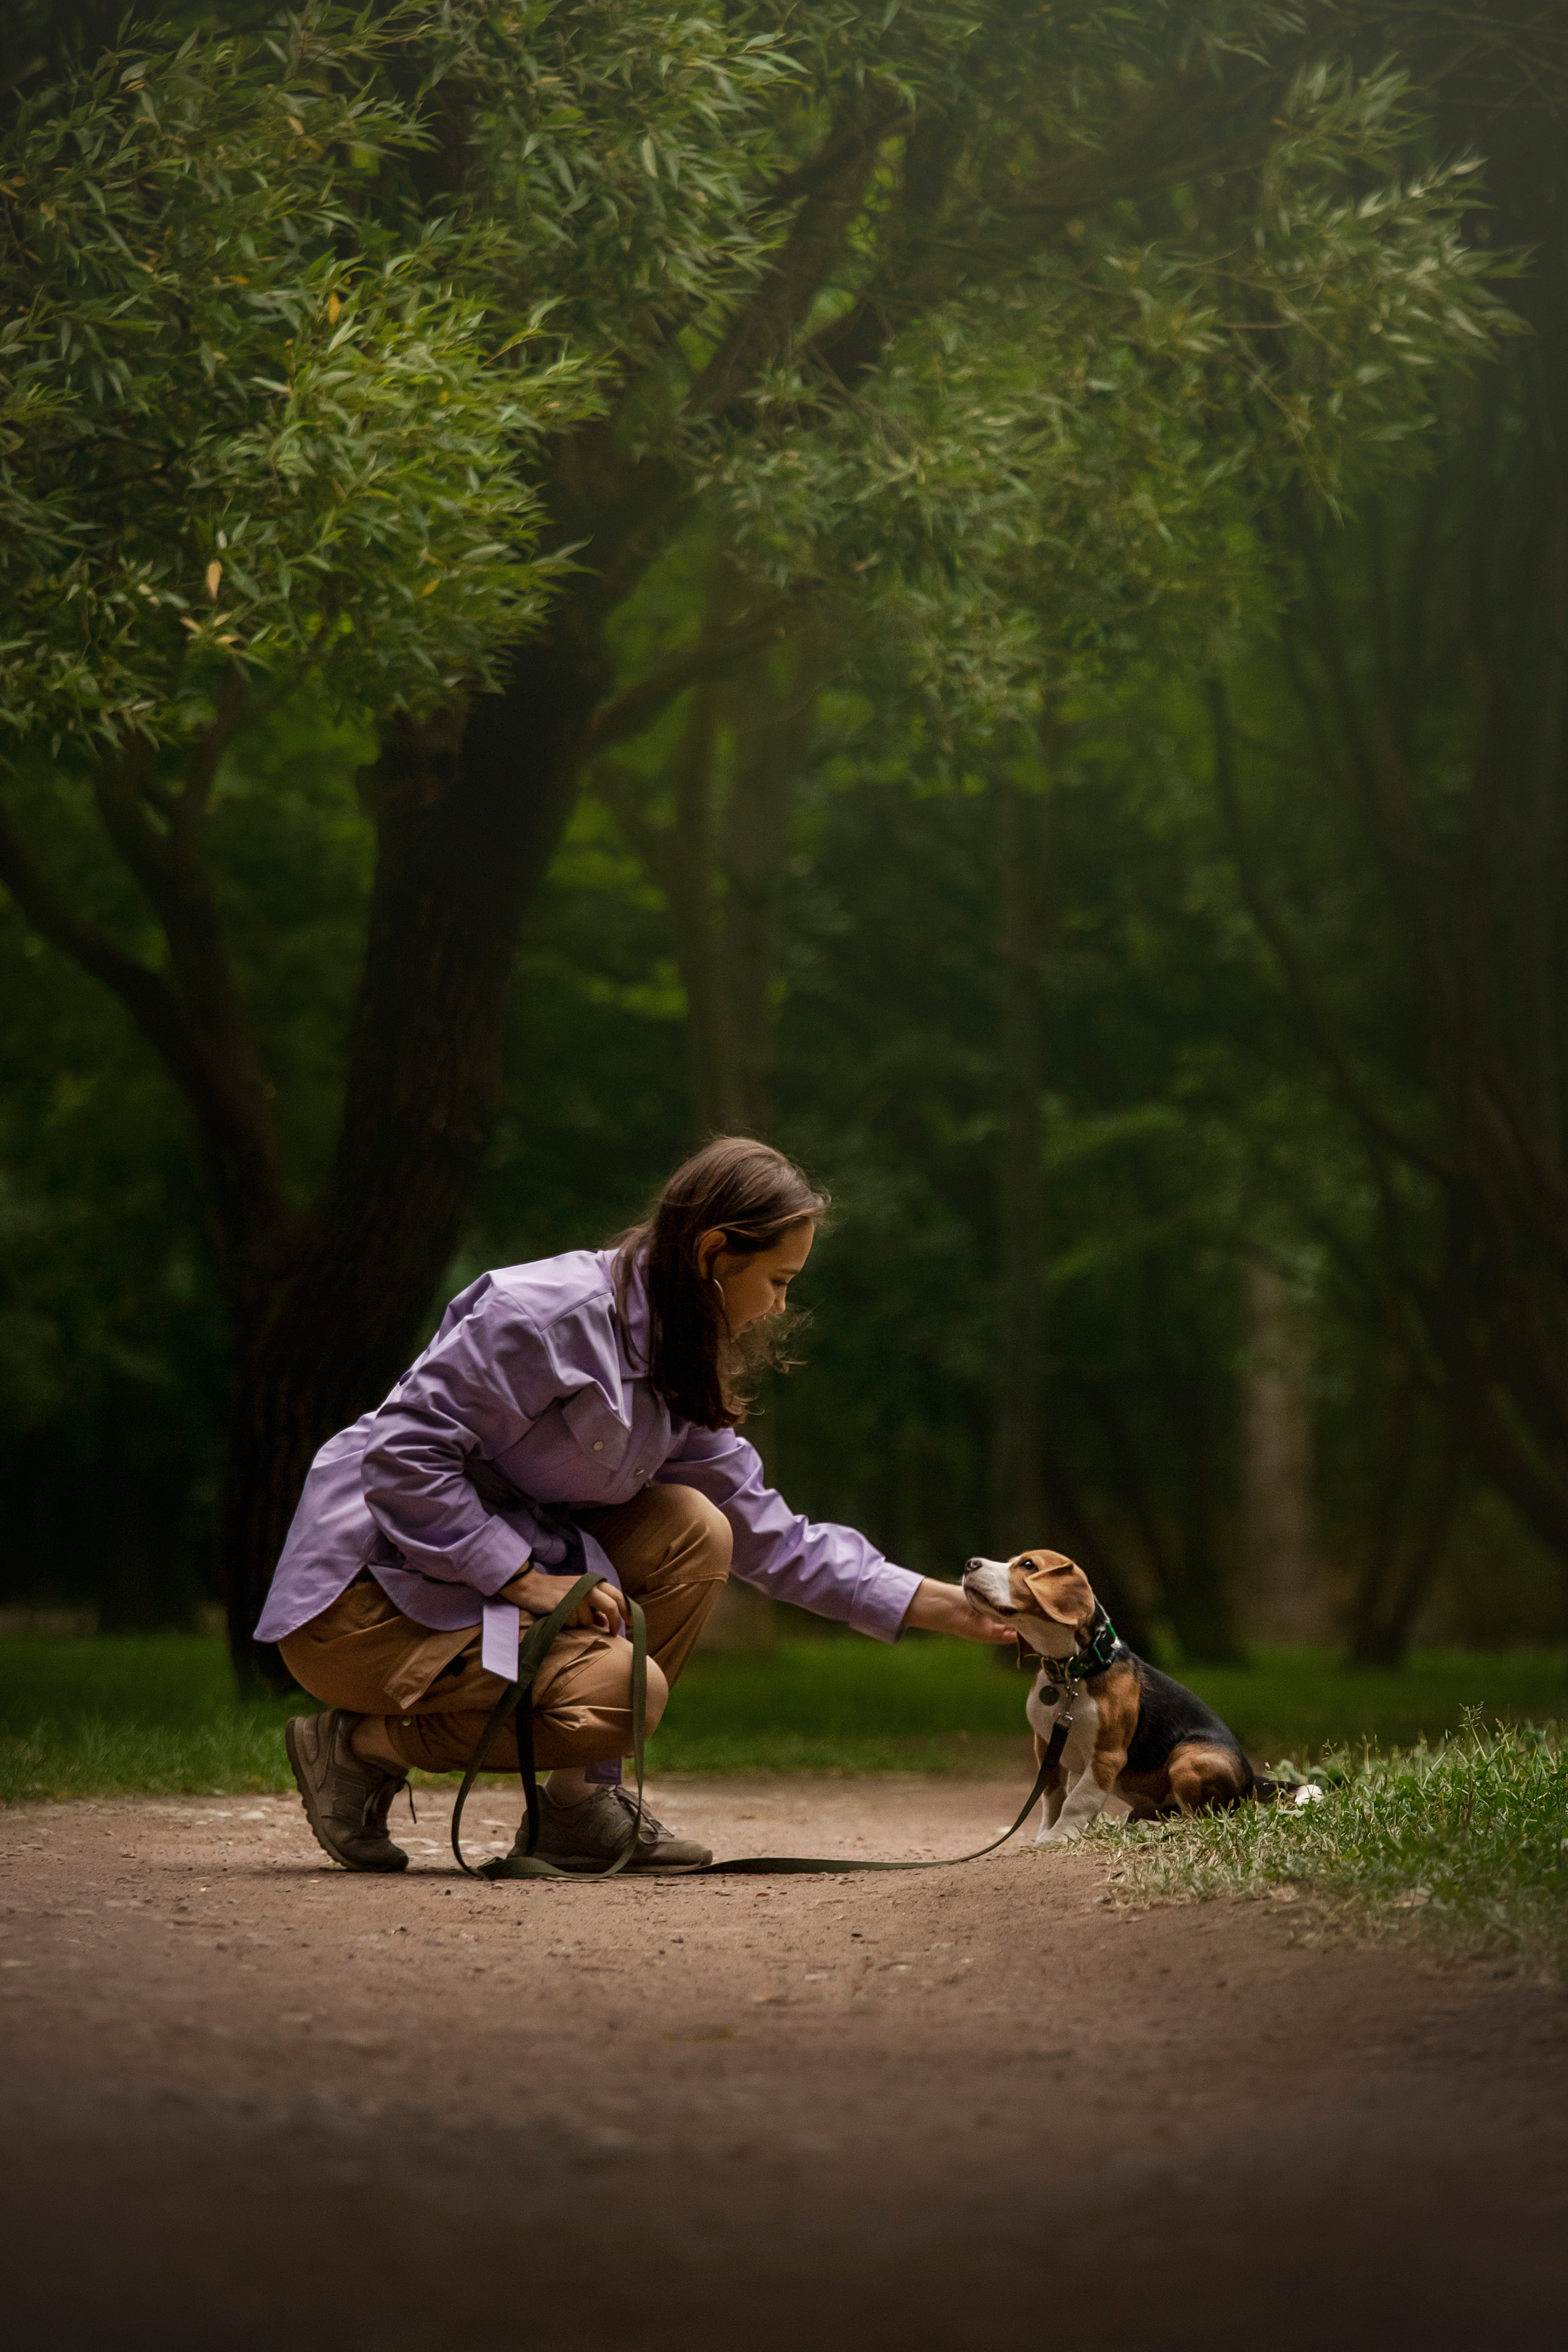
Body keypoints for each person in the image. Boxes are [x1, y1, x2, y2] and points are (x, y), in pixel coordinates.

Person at [258, 1136, 1010, 1874]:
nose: (783, 1305)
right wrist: (519, 1576)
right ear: (716, 1253)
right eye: (779, 1280)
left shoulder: (674, 1360)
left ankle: (577, 1811)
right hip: (366, 1601)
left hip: (472, 1588)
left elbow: (764, 1530)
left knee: (697, 1527)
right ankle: (356, 1748)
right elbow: (402, 1456)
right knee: (623, 1695)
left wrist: (944, 1608)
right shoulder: (542, 1317)